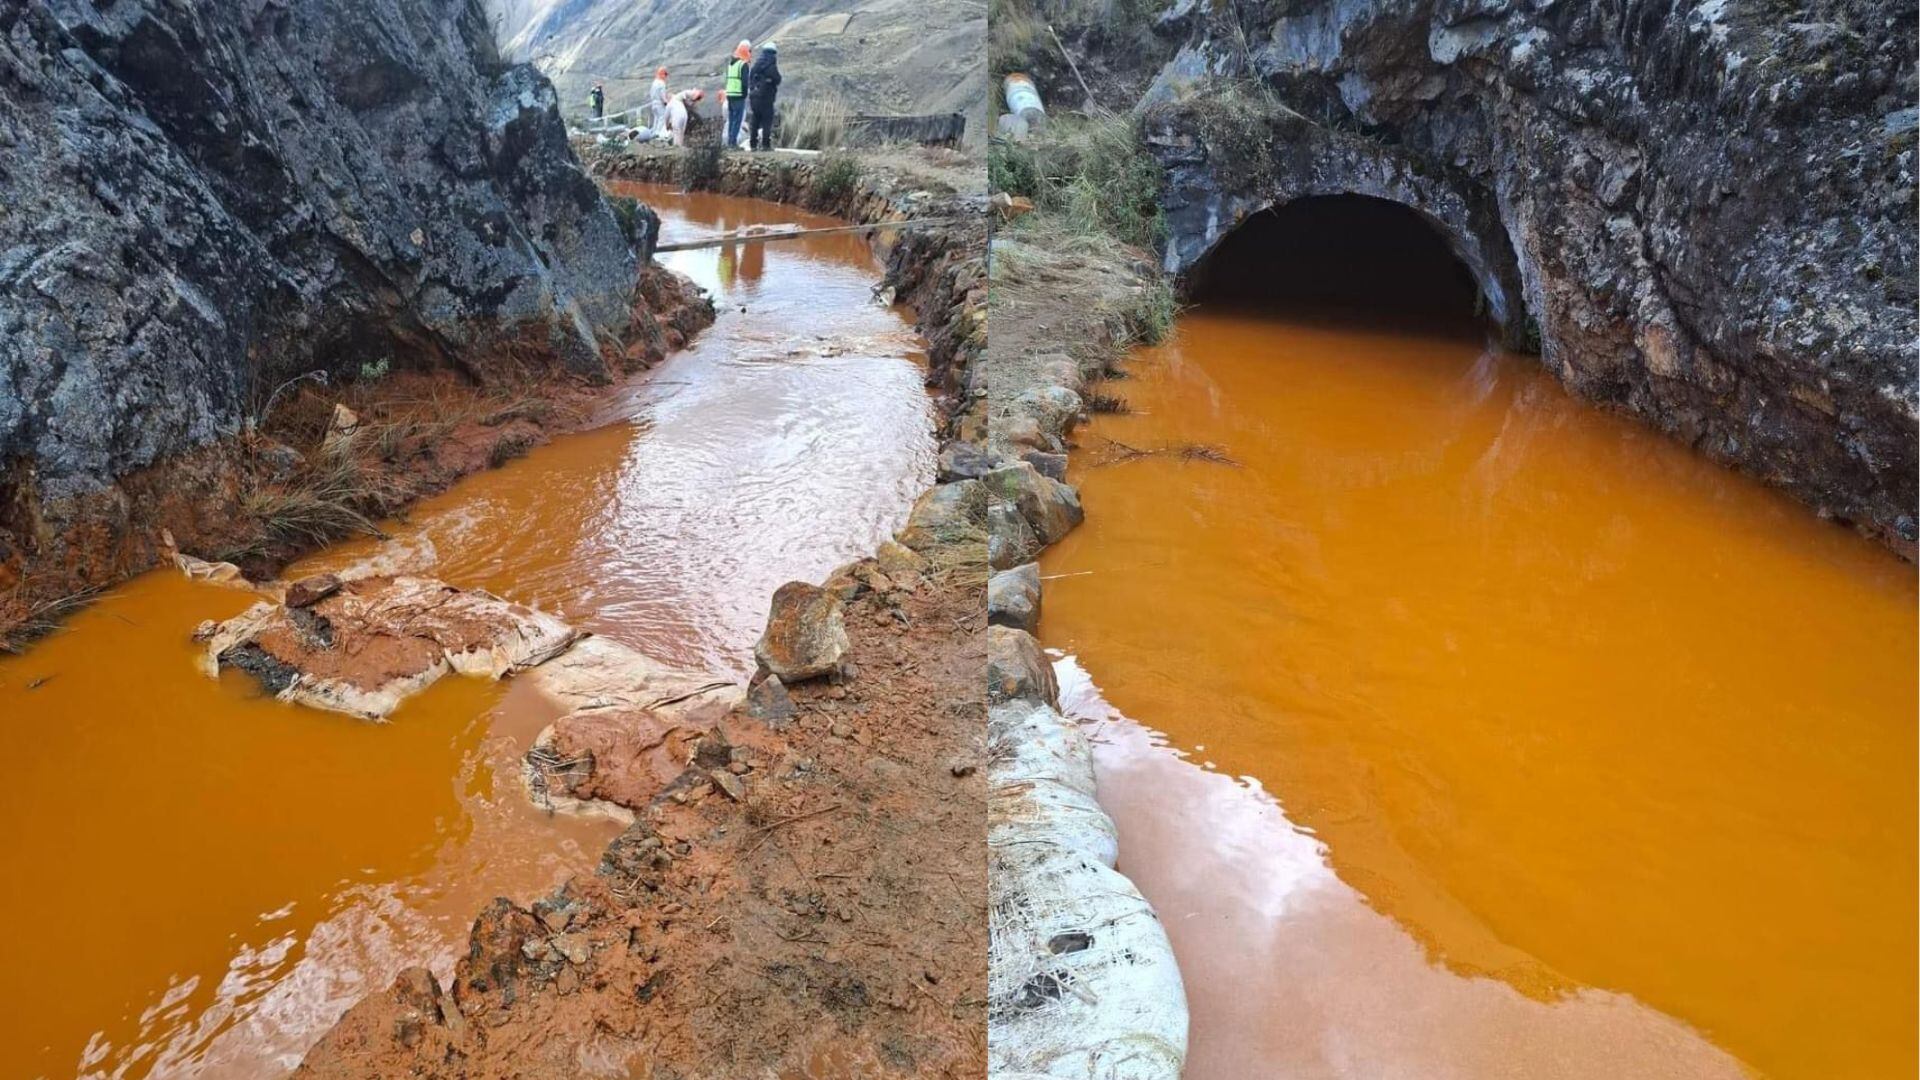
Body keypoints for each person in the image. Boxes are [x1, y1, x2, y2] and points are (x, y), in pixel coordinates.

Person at [747, 42, 781, 151]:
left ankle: (753, 144)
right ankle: (765, 145)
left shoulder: (756, 65)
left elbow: (750, 79)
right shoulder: (771, 66)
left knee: (755, 120)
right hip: (766, 98)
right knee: (767, 121)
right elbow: (778, 79)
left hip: (754, 98)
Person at [724, 40, 751, 149]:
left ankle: (730, 141)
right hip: (738, 95)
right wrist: (745, 94)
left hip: (729, 95)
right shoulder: (743, 65)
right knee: (737, 120)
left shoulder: (731, 64)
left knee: (731, 119)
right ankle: (733, 143)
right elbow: (745, 82)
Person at [647, 67, 669, 133]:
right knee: (662, 118)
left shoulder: (654, 82)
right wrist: (666, 102)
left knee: (656, 119)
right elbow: (662, 95)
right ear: (662, 74)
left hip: (653, 103)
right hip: (660, 103)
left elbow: (650, 93)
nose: (666, 77)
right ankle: (658, 133)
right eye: (665, 75)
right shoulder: (661, 83)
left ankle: (653, 132)